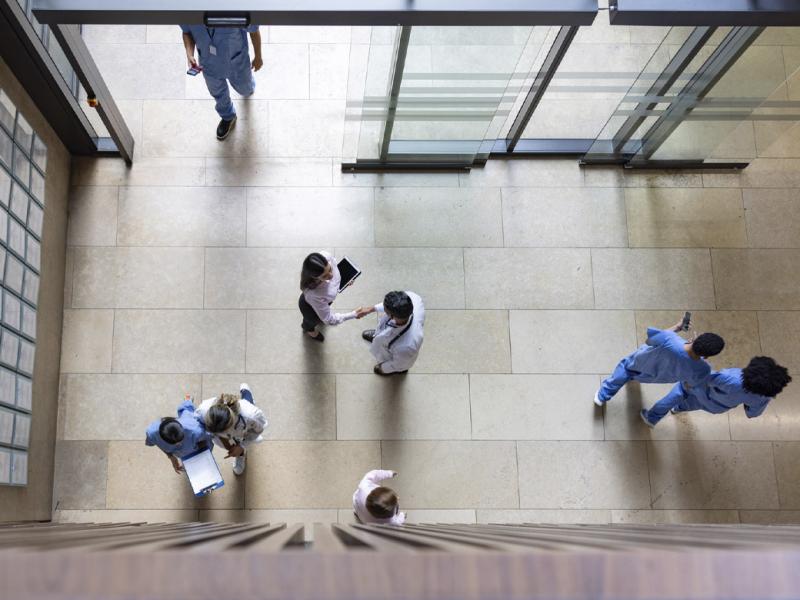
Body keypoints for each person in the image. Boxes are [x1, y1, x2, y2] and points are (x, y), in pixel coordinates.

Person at [594, 317, 725, 406]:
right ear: (707, 356)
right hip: (656, 377)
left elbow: (649, 341)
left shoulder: (670, 340)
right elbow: (690, 383)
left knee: (625, 368)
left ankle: (603, 395)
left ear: (696, 339)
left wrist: (677, 327)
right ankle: (629, 381)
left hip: (641, 363)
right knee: (635, 376)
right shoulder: (703, 369)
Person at [640, 356, 792, 427]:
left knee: (679, 391)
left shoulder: (731, 378)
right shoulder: (762, 397)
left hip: (701, 390)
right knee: (691, 405)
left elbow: (706, 377)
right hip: (716, 407)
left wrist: (700, 359)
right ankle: (678, 409)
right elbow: (753, 414)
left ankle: (652, 417)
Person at [180, 23, 263, 140]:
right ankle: (228, 116)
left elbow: (254, 30)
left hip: (237, 63)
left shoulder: (236, 9)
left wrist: (258, 56)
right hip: (208, 64)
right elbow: (187, 32)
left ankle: (248, 86)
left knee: (245, 89)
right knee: (217, 93)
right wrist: (189, 53)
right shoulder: (189, 12)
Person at [195, 383, 267, 475]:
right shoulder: (203, 410)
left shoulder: (251, 415)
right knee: (229, 443)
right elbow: (198, 424)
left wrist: (242, 446)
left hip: (246, 417)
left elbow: (258, 430)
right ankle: (240, 454)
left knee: (248, 401)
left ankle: (245, 390)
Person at [299, 251, 363, 343]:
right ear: (314, 277)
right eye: (325, 276)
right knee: (311, 320)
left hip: (324, 301)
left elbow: (335, 270)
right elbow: (329, 320)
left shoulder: (326, 256)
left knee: (321, 314)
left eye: (330, 269)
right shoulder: (314, 294)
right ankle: (309, 329)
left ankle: (317, 318)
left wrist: (342, 280)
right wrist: (353, 314)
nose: (331, 275)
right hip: (309, 308)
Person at [356, 291, 425, 376]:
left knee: (396, 367)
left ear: (391, 316)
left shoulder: (407, 347)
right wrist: (371, 309)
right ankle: (377, 337)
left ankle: (391, 370)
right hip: (388, 334)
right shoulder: (410, 298)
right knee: (381, 337)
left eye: (385, 310)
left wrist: (383, 368)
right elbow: (390, 306)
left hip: (398, 358)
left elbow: (399, 364)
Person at [145, 396, 213, 474]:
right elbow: (158, 443)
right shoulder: (152, 433)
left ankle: (187, 400)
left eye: (181, 439)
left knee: (186, 409)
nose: (179, 444)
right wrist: (171, 457)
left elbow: (207, 440)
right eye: (174, 443)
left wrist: (200, 455)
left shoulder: (195, 429)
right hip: (184, 452)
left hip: (194, 446)